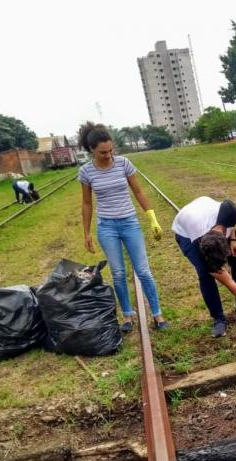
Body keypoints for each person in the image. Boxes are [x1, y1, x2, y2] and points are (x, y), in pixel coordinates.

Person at [78, 122, 169, 333]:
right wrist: (86, 232)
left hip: (130, 223)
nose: (108, 155)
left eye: (111, 150)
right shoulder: (86, 172)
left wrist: (152, 218)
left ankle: (157, 314)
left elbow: (138, 192)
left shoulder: (123, 163)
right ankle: (127, 316)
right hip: (106, 227)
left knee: (143, 271)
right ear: (92, 150)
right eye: (103, 152)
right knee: (118, 273)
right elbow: (87, 203)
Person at [172, 196, 236, 338]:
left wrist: (232, 239)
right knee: (205, 273)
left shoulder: (228, 211)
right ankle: (218, 318)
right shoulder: (197, 235)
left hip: (206, 213)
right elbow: (224, 278)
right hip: (186, 233)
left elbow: (231, 221)